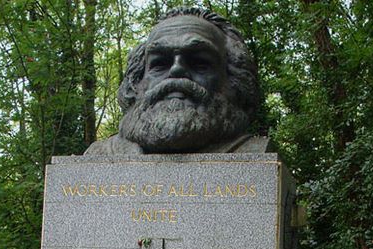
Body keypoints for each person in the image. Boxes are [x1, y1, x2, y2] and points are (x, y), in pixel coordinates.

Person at [86, 7, 270, 156]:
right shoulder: (100, 155)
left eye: (199, 63)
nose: (176, 70)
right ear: (136, 83)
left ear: (234, 80)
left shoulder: (255, 154)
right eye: (160, 63)